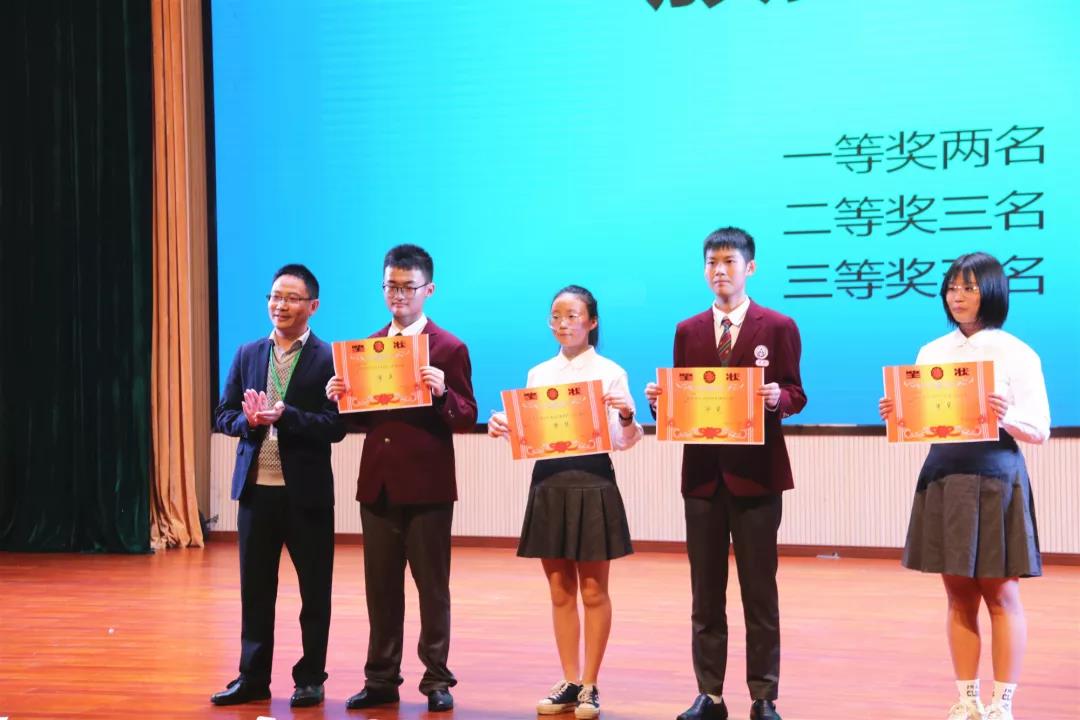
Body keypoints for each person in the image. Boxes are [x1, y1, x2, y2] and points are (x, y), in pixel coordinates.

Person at [879, 252, 1049, 720]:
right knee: (957, 594)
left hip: (996, 475)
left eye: (969, 288)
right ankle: (967, 699)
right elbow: (922, 426)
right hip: (944, 474)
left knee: (1002, 594)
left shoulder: (1017, 352)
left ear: (991, 292)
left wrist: (1005, 415)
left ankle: (1002, 703)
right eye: (952, 287)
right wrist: (899, 415)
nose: (958, 296)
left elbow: (1040, 429)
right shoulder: (932, 352)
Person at [645, 227, 806, 720]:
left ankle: (763, 696)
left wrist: (778, 398)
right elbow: (681, 402)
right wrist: (659, 403)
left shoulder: (777, 326)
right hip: (703, 478)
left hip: (757, 477)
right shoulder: (687, 330)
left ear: (749, 268)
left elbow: (797, 393)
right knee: (705, 592)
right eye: (712, 262)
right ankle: (709, 694)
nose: (720, 270)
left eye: (730, 261)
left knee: (760, 591)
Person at [326, 244, 477, 713]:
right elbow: (363, 421)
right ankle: (380, 679)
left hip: (428, 488)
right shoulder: (367, 348)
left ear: (429, 290)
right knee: (381, 589)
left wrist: (442, 393)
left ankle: (436, 680)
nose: (398, 295)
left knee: (432, 590)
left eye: (408, 287)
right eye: (390, 286)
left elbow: (466, 416)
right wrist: (340, 398)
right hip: (378, 485)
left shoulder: (448, 347)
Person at [489, 285, 643, 720]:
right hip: (549, 482)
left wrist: (627, 415)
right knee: (559, 591)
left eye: (573, 315)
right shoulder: (538, 374)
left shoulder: (611, 372)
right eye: (556, 315)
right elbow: (533, 436)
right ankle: (570, 680)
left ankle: (591, 685)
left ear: (592, 322)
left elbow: (622, 441)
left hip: (593, 482)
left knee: (594, 590)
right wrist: (505, 426)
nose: (563, 323)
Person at [210, 264, 345, 708]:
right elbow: (223, 414)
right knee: (255, 590)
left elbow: (335, 427)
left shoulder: (330, 359)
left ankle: (311, 678)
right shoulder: (248, 353)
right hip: (256, 492)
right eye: (274, 296)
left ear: (313, 306)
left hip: (306, 495)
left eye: (290, 298)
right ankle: (252, 678)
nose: (279, 305)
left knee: (315, 592)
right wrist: (248, 422)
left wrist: (288, 417)